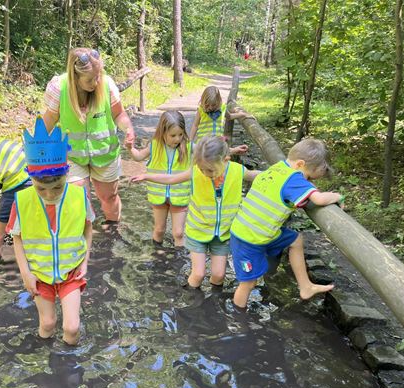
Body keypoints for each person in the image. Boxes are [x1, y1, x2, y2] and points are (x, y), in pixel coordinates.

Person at [7, 118, 94, 346]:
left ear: (66, 175)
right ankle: (44, 361)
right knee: (47, 323)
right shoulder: (22, 201)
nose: (49, 194)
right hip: (40, 273)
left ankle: (68, 365)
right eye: (40, 188)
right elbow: (17, 239)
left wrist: (85, 262)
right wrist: (26, 273)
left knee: (72, 327)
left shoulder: (78, 196)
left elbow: (88, 228)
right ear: (31, 180)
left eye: (57, 187)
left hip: (70, 271)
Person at [132, 135, 260, 288]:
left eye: (210, 170)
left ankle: (212, 305)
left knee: (219, 275)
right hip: (198, 231)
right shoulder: (196, 172)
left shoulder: (238, 171)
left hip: (223, 233)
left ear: (226, 160)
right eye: (202, 168)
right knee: (198, 274)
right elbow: (172, 179)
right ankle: (190, 302)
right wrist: (147, 176)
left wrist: (285, 173)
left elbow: (257, 175)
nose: (205, 173)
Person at [229, 138, 342, 310]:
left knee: (296, 240)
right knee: (248, 284)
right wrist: (337, 196)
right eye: (309, 177)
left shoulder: (279, 167)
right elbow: (318, 199)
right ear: (300, 164)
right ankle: (239, 318)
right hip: (247, 239)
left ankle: (305, 286)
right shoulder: (294, 180)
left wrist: (307, 182)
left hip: (261, 231)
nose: (308, 182)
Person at [41, 47, 136, 223]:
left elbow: (119, 114)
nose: (97, 81)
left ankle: (113, 230)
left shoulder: (106, 85)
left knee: (108, 197)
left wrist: (128, 128)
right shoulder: (59, 88)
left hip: (105, 154)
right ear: (75, 77)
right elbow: (48, 120)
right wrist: (35, 148)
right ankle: (86, 240)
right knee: (79, 199)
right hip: (72, 156)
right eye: (91, 79)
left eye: (98, 75)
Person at [125, 111, 191, 246]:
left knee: (178, 233)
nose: (177, 139)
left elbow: (207, 152)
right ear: (162, 132)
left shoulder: (189, 147)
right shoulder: (154, 146)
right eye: (173, 135)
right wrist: (130, 148)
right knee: (159, 230)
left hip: (179, 196)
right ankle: (157, 260)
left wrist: (230, 151)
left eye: (180, 134)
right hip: (159, 196)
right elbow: (138, 157)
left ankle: (178, 262)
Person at [188, 86, 250, 158]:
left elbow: (229, 117)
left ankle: (230, 151)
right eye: (207, 105)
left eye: (213, 105)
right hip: (204, 140)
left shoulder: (223, 108)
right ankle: (232, 150)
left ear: (218, 101)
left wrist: (241, 114)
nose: (210, 107)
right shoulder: (201, 110)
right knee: (207, 153)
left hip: (217, 139)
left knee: (217, 154)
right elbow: (195, 125)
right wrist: (190, 140)